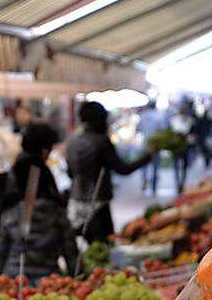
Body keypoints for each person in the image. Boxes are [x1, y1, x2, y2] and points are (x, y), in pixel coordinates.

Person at [0, 122, 78, 279]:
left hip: (14, 277)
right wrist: (78, 275)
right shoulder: (41, 175)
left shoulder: (14, 172)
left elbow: (0, 245)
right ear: (45, 149)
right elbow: (69, 245)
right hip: (48, 278)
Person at [65, 101, 155, 242]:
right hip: (98, 204)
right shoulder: (101, 141)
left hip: (75, 203)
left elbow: (70, 173)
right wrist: (148, 156)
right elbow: (122, 169)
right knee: (105, 247)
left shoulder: (72, 141)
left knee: (88, 249)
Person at [137, 101, 169, 195]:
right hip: (155, 145)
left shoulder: (142, 116)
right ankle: (154, 185)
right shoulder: (159, 116)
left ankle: (144, 180)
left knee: (144, 165)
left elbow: (138, 129)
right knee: (155, 166)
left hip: (145, 144)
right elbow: (163, 129)